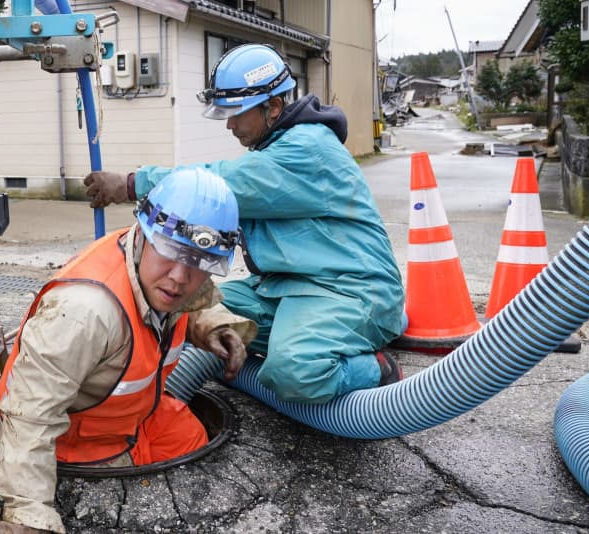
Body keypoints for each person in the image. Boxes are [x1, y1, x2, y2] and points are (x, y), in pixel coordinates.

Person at [84, 43, 405, 406]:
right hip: (285, 290)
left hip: (352, 293)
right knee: (185, 305)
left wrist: (131, 183)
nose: (230, 123)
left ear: (273, 107)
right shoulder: (276, 149)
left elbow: (219, 185)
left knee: (293, 371)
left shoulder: (306, 150)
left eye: (236, 112)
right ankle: (156, 394)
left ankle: (376, 368)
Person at [0, 168, 257, 534]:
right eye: (170, 252)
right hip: (81, 440)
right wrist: (27, 512)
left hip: (138, 417)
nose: (180, 278)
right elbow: (29, 414)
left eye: (197, 261)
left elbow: (192, 299)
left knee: (194, 441)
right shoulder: (85, 313)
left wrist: (214, 325)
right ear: (144, 235)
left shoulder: (156, 270)